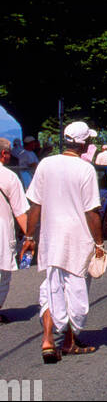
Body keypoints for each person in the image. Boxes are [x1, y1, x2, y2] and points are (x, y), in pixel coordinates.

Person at [23, 120, 105, 360]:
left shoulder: (46, 164)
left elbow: (35, 206)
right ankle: (69, 342)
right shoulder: (85, 169)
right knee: (74, 290)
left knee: (50, 288)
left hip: (51, 239)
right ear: (84, 143)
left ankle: (48, 340)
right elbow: (92, 212)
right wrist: (99, 244)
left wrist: (29, 237)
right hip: (78, 241)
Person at [0, 137, 31, 323]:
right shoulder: (9, 177)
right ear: (4, 154)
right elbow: (20, 211)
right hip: (2, 233)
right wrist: (30, 237)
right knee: (3, 275)